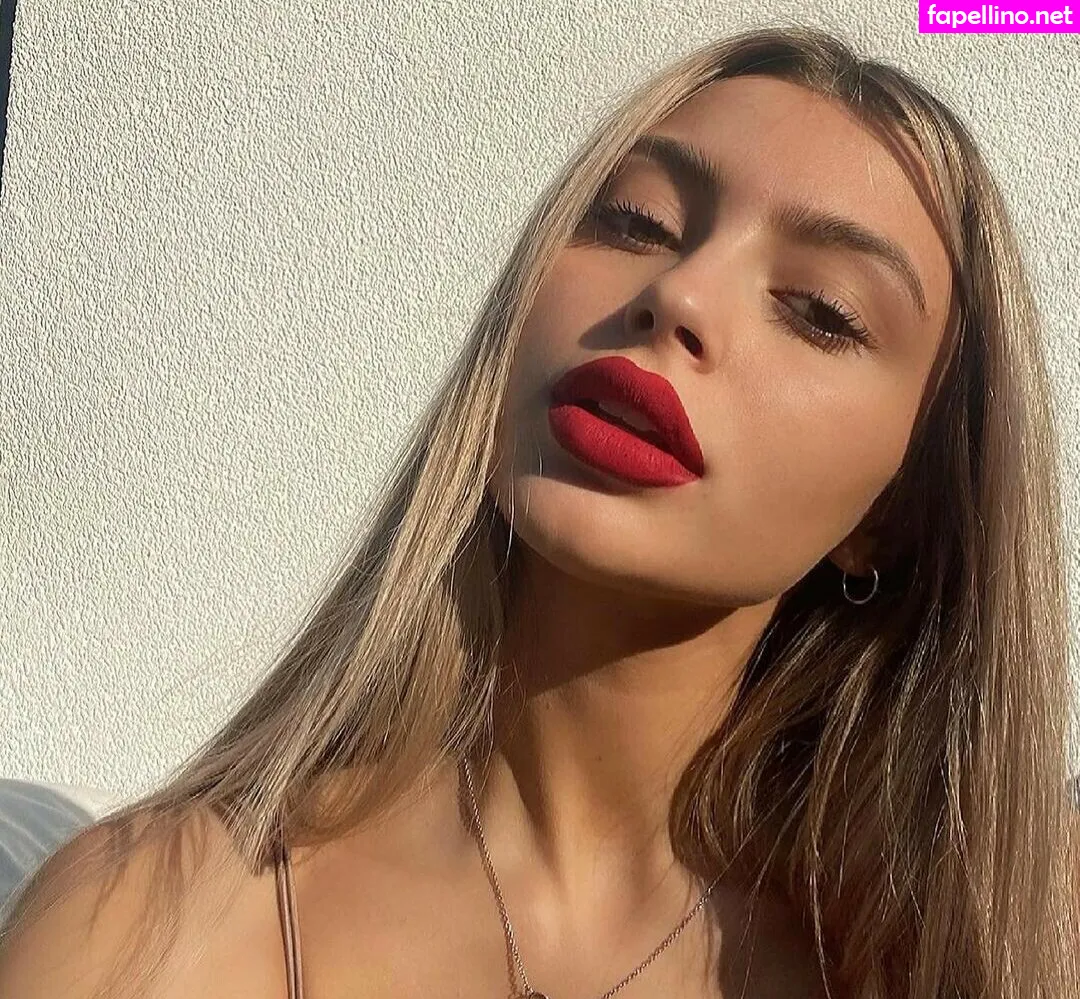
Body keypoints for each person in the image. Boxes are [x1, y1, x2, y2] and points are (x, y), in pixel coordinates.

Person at [0, 22, 1077, 999]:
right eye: (637, 220)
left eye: (821, 310)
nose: (679, 293)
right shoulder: (145, 924)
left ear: (896, 513)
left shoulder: (969, 953)